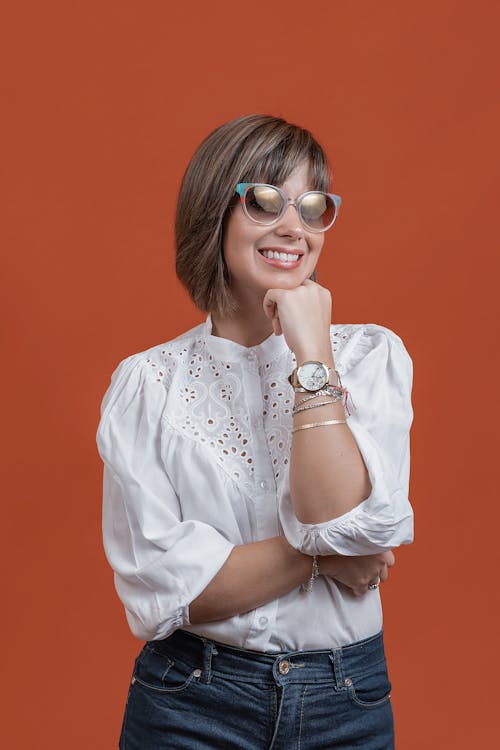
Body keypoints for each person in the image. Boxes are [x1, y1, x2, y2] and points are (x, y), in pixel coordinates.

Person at [96, 114, 414, 749]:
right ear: (216, 211)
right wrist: (325, 553)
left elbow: (344, 514)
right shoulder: (148, 385)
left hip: (346, 702)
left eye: (313, 206)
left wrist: (312, 353)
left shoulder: (370, 358)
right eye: (266, 200)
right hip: (191, 703)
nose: (294, 226)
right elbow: (170, 591)